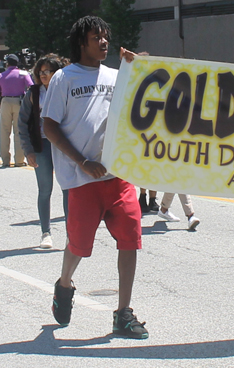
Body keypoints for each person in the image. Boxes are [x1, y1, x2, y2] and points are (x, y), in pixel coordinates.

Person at [42, 16, 148, 339]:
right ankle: (64, 284)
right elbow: (49, 125)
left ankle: (123, 313)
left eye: (105, 37)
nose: (103, 42)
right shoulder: (64, 78)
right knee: (79, 245)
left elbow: (142, 101)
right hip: (83, 179)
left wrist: (140, 68)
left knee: (130, 237)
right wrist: (82, 161)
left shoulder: (117, 76)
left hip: (118, 177)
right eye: (96, 37)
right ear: (81, 43)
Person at [18, 54, 69, 248]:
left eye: (48, 71)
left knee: (68, 188)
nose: (44, 75)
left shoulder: (65, 88)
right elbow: (22, 123)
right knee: (45, 189)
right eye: (41, 72)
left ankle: (70, 233)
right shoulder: (34, 93)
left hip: (62, 145)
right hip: (42, 145)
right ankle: (45, 233)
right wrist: (28, 150)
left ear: (57, 72)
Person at [0, 54, 34, 167]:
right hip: (19, 102)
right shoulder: (23, 73)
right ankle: (19, 160)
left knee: (4, 132)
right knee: (19, 131)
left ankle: (5, 160)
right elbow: (31, 86)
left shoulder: (1, 75)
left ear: (7, 63)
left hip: (5, 102)